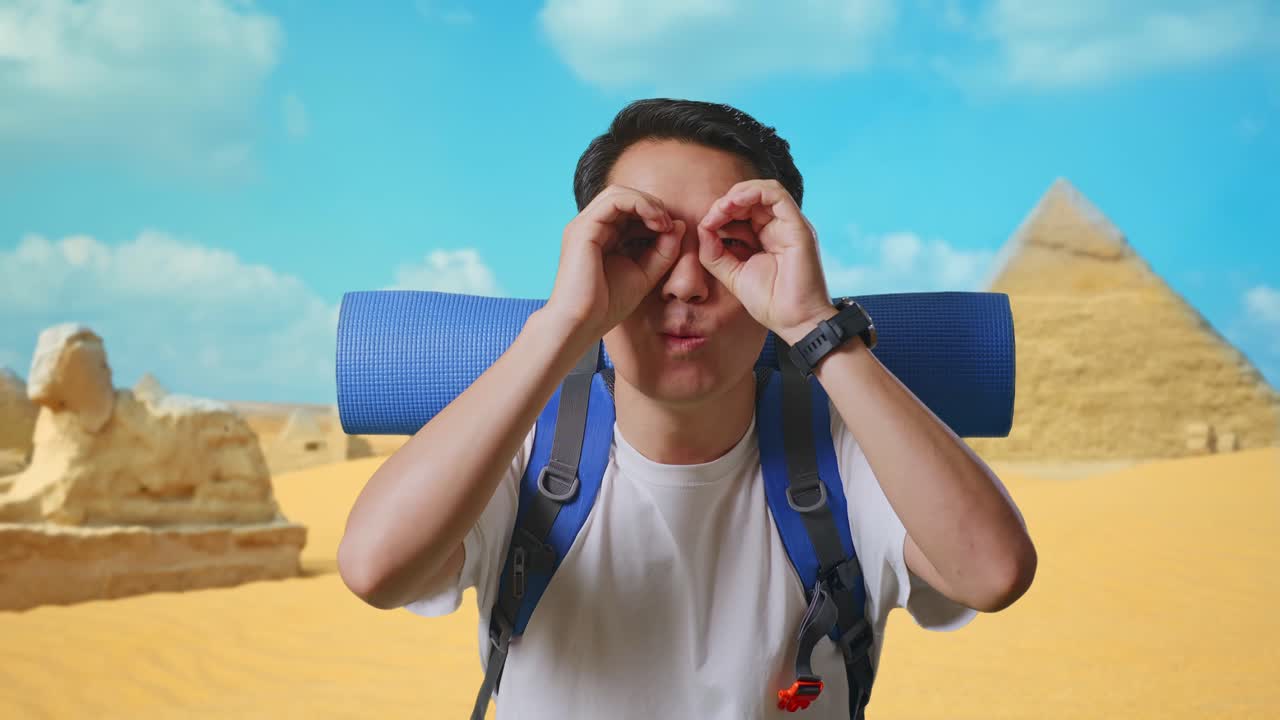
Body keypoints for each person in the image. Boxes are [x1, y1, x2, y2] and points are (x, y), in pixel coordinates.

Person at [337, 98, 1037, 719]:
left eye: (730, 245)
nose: (685, 283)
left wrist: (813, 325)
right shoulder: (523, 450)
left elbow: (992, 573)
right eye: (638, 244)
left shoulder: (845, 454)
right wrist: (563, 325)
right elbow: (374, 569)